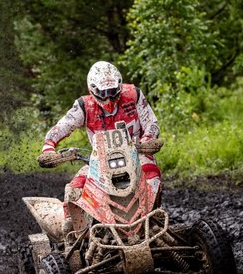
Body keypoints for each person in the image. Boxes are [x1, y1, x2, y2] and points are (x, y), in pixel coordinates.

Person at [37, 61, 162, 234]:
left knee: (152, 172)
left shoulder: (133, 95)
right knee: (74, 188)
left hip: (136, 153)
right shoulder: (84, 105)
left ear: (119, 86)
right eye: (103, 93)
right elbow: (60, 128)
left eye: (112, 92)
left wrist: (148, 140)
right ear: (92, 90)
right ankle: (76, 233)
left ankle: (155, 214)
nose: (108, 98)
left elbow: (151, 123)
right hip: (99, 161)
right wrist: (48, 148)